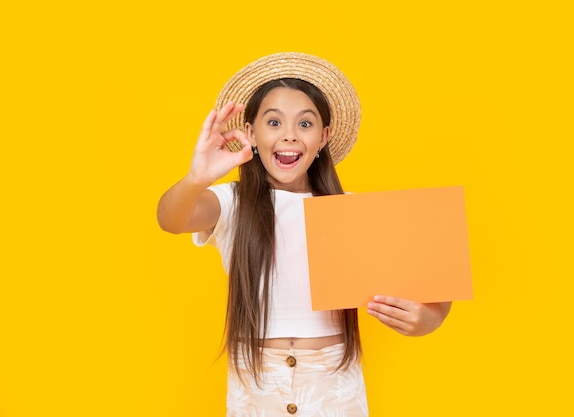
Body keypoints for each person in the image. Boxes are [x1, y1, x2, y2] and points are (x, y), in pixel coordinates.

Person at [157, 52, 451, 416]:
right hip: (256, 391)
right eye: (274, 122)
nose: (290, 136)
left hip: (333, 391)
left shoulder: (352, 211)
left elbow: (435, 289)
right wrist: (197, 178)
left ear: (324, 136)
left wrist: (428, 319)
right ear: (250, 133)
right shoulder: (232, 202)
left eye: (306, 124)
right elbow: (170, 219)